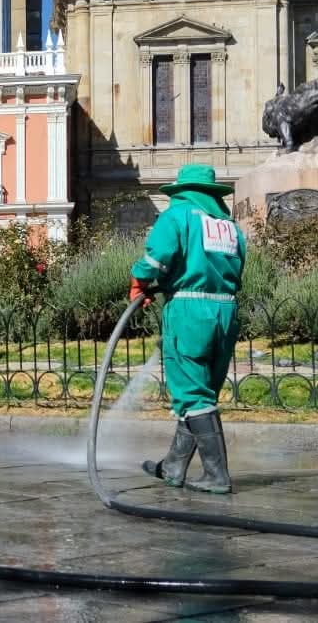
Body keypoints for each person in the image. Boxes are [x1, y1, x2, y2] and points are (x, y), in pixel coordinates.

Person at [130, 164, 245, 495]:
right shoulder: (228, 226)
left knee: (192, 393)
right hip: (225, 308)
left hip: (189, 309)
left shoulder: (177, 216)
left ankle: (216, 476)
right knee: (201, 391)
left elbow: (156, 260)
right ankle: (174, 467)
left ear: (181, 191)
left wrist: (139, 282)